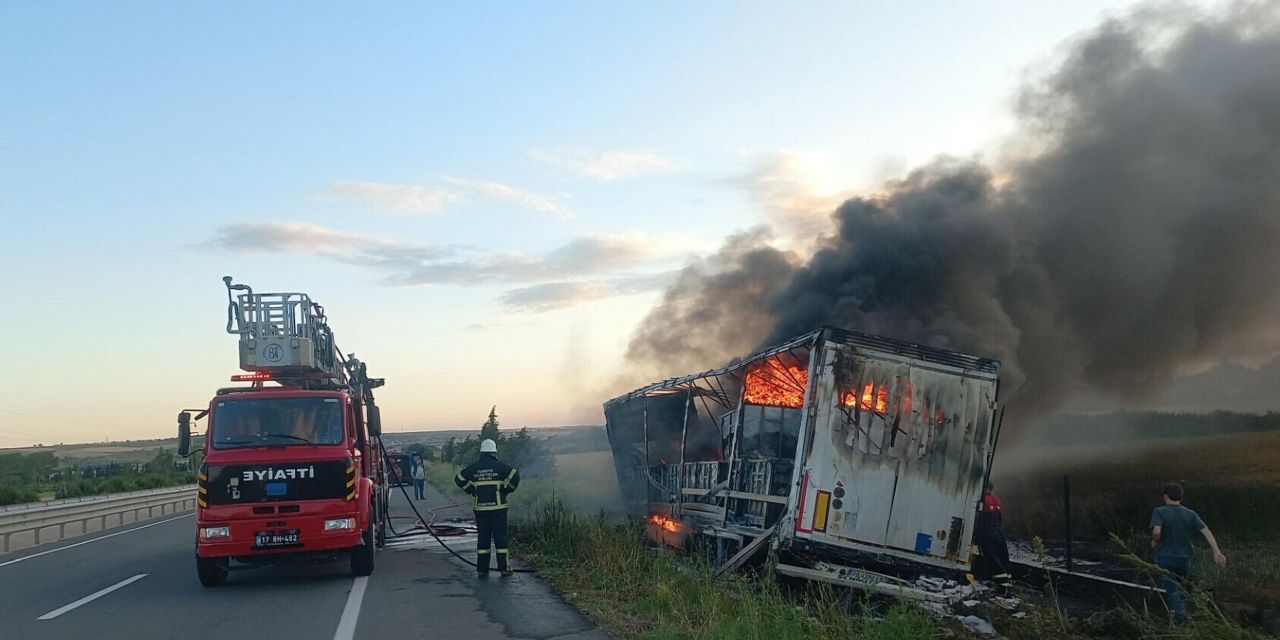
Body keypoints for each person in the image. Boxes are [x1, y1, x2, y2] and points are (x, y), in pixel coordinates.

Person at [1151, 482, 1228, 624]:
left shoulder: (1159, 512)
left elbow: (1156, 531)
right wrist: (1216, 552)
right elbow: (1207, 532)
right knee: (1180, 587)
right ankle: (1179, 615)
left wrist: (1155, 541)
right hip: (1185, 558)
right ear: (1181, 497)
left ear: (1165, 497)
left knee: (1171, 587)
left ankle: (1181, 620)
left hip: (1165, 556)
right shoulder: (1190, 514)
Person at [454, 439, 521, 577]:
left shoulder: (474, 467)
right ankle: (504, 569)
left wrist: (472, 490)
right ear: (494, 452)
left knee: (483, 538)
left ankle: (482, 570)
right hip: (498, 509)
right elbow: (515, 475)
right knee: (500, 538)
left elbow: (458, 478)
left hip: (481, 510)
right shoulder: (500, 466)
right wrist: (507, 490)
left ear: (481, 452)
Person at [976, 481, 1013, 589]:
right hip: (998, 532)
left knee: (993, 560)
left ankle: (1002, 587)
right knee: (1002, 558)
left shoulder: (983, 500)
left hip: (988, 532)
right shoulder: (995, 500)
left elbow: (980, 518)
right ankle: (1007, 583)